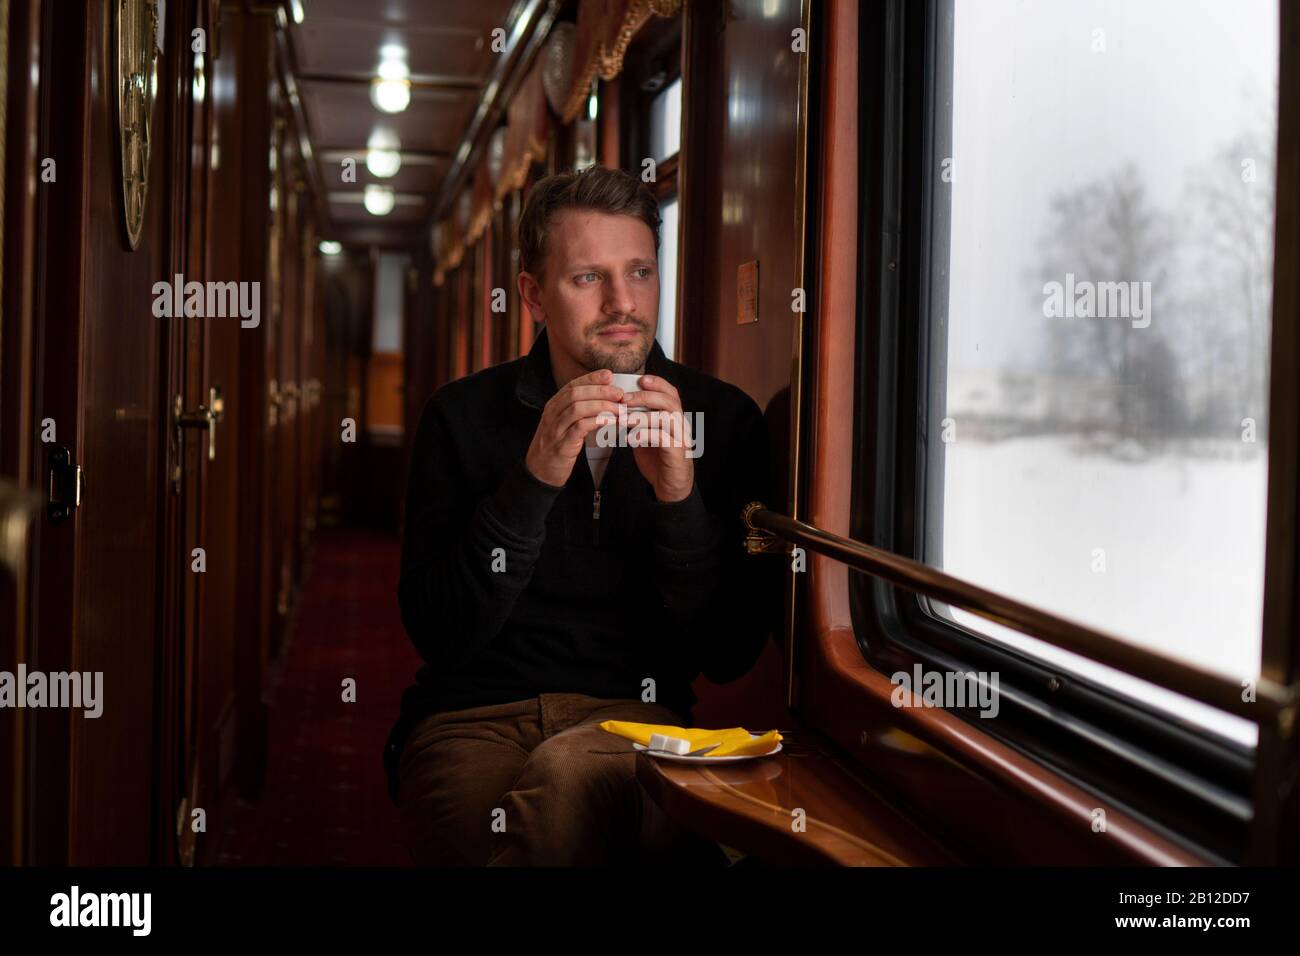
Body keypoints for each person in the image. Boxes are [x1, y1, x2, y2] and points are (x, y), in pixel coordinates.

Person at [385, 164, 778, 866]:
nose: (623, 303)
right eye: (588, 278)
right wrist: (532, 480)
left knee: (566, 782)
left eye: (640, 272)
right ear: (534, 295)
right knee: (487, 840)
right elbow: (439, 633)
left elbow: (728, 653)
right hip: (469, 717)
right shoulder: (461, 414)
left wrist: (679, 500)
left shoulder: (724, 419)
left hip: (637, 715)